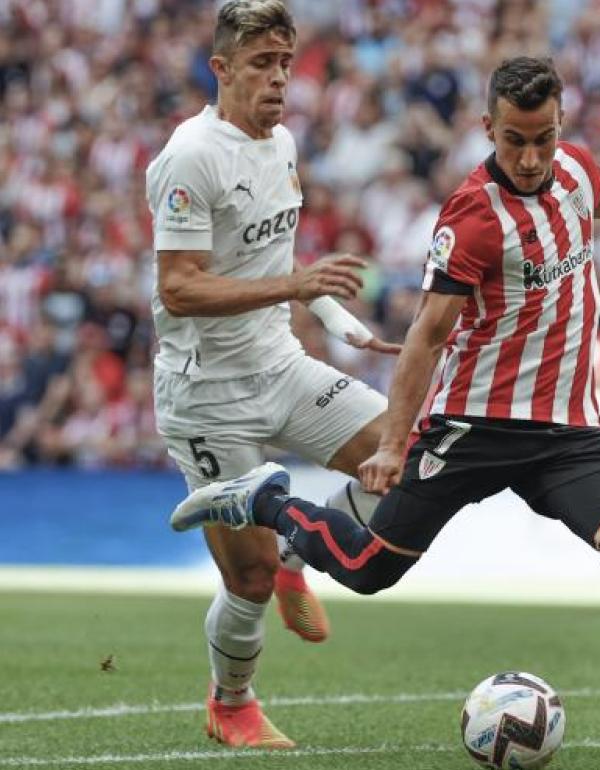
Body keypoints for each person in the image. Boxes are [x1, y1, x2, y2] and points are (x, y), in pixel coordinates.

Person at [169, 56, 600, 768]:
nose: (529, 158)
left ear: (561, 126)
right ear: (487, 128)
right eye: (513, 141)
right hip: (473, 428)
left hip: (568, 435)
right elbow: (427, 335)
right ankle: (269, 501)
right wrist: (392, 444)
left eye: (543, 139)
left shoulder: (575, 171)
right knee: (369, 569)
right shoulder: (471, 217)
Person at [145, 0, 399, 750]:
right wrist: (295, 287)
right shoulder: (191, 155)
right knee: (249, 581)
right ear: (221, 69)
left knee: (407, 456)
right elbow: (179, 288)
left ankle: (296, 544)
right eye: (261, 63)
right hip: (207, 395)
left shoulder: (281, 143)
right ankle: (231, 705)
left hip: (280, 365)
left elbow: (276, 263)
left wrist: (344, 325)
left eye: (285, 62)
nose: (280, 78)